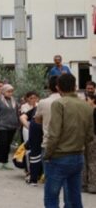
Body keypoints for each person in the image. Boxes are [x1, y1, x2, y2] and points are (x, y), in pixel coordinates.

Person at [44, 74, 94, 208]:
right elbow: (90, 135)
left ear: (58, 87)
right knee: (74, 196)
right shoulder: (87, 106)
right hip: (78, 156)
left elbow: (54, 134)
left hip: (60, 156)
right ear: (75, 86)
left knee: (51, 196)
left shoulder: (59, 104)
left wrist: (47, 154)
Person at [35, 76, 71, 206]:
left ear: (51, 87)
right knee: (69, 184)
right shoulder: (74, 102)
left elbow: (37, 119)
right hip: (70, 146)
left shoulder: (43, 102)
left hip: (49, 144)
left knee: (51, 186)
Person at [0, 84, 19, 171]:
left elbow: (17, 113)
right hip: (1, 126)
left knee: (7, 144)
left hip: (12, 126)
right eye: (8, 91)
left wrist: (18, 124)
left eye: (11, 91)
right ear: (3, 91)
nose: (10, 93)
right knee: (2, 143)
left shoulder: (14, 101)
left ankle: (5, 161)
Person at [82, 94, 96, 194]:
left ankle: (89, 184)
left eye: (87, 100)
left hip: (91, 138)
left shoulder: (91, 111)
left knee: (90, 161)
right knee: (91, 161)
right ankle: (91, 184)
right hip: (90, 137)